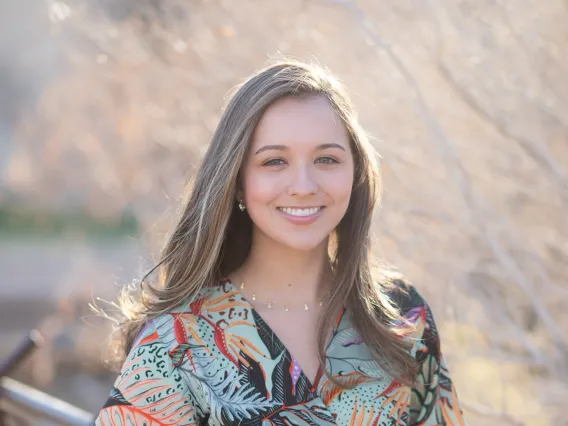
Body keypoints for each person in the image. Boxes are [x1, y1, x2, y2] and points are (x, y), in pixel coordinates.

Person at [93, 60, 466, 425]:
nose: (303, 186)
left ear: (355, 173)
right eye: (274, 162)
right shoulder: (179, 342)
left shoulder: (402, 317)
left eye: (326, 159)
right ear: (237, 180)